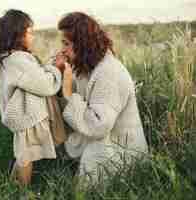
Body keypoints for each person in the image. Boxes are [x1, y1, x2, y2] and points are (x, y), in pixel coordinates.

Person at [57, 12, 148, 185]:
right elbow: (77, 95)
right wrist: (59, 75)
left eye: (66, 44)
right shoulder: (88, 66)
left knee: (89, 159)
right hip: (107, 141)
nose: (62, 49)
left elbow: (98, 126)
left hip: (122, 151)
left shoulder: (108, 73)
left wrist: (68, 93)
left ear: (83, 45)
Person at [0, 9, 66, 185]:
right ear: (17, 35)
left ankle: (12, 188)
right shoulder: (18, 61)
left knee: (25, 155)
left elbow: (34, 77)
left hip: (24, 115)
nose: (32, 37)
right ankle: (22, 192)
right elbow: (44, 85)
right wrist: (56, 68)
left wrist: (48, 65)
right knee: (26, 156)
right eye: (29, 32)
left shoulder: (10, 59)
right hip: (26, 117)